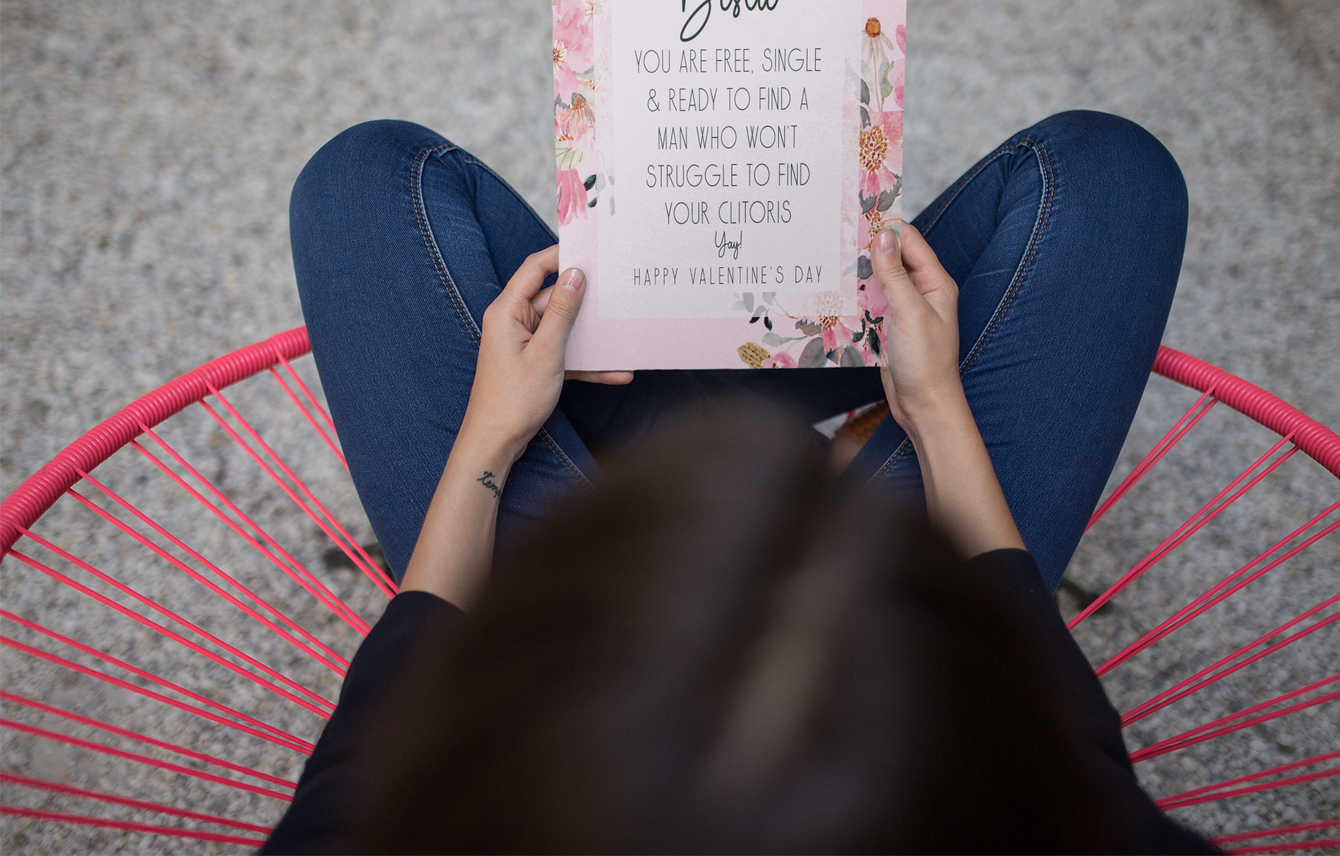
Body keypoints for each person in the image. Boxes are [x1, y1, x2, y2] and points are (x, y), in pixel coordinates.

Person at [263, 111, 1210, 853]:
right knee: (1109, 176)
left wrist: (497, 424)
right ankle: (743, 418)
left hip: (582, 628)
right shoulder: (1061, 818)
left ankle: (678, 416)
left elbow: (426, 650)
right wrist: (930, 402)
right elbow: (1015, 636)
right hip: (874, 616)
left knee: (363, 182)